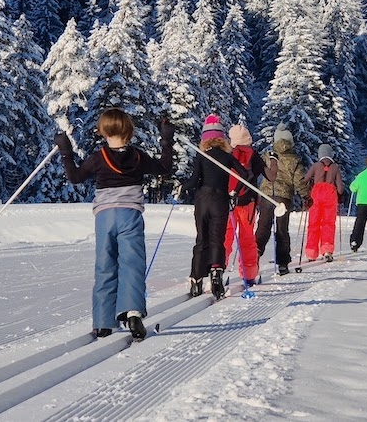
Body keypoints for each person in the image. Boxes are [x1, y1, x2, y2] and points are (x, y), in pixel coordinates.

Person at [54, 109, 174, 341]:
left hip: (105, 217)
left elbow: (75, 177)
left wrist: (65, 151)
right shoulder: (138, 157)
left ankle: (103, 322)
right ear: (129, 131)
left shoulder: (98, 158)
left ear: (102, 131)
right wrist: (166, 140)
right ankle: (132, 313)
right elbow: (164, 168)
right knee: (132, 263)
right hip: (130, 214)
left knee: (105, 266)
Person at [182, 114, 250, 299]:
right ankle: (216, 275)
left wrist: (181, 187)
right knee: (217, 239)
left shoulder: (202, 156)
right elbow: (245, 174)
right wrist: (234, 192)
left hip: (203, 199)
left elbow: (194, 180)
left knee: (201, 239)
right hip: (220, 199)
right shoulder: (227, 157)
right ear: (222, 138)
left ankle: (196, 280)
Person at [223, 124, 278, 286]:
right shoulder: (253, 155)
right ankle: (249, 275)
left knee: (225, 238)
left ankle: (218, 270)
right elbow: (271, 177)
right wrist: (274, 160)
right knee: (247, 240)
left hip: (229, 202)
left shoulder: (228, 155)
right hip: (249, 203)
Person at [255, 123, 310, 276]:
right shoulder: (295, 159)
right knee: (281, 230)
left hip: (267, 195)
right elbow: (299, 181)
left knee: (263, 227)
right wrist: (305, 195)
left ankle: (253, 256)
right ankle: (283, 264)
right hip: (283, 197)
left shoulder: (268, 155)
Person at [303, 143, 344, 262]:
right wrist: (340, 194)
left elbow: (305, 179)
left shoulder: (316, 165)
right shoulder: (335, 167)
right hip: (330, 195)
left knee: (314, 222)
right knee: (328, 223)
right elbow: (340, 188)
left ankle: (311, 252)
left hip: (316, 194)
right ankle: (327, 250)